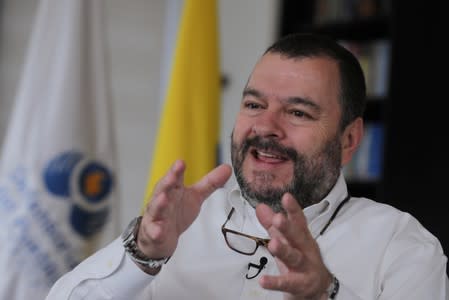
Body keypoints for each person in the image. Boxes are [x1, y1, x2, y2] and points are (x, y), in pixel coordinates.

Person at [45, 33, 449, 300]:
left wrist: (326, 293)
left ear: (348, 139)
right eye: (254, 105)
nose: (265, 128)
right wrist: (144, 254)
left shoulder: (400, 246)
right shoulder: (186, 223)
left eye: (298, 112)